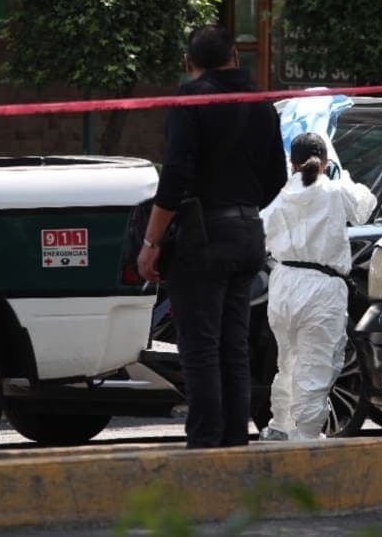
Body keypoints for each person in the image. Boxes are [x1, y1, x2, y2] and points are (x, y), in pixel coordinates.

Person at [136, 24, 287, 449]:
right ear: (235, 57)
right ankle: (233, 442)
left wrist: (150, 243)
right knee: (233, 346)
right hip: (248, 235)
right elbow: (277, 177)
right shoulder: (262, 105)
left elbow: (177, 176)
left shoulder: (191, 100)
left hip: (203, 239)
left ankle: (204, 443)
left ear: (190, 65)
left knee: (200, 347)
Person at [258, 133, 377, 441]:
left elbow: (263, 232)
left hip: (283, 285)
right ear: (325, 163)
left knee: (288, 363)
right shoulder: (336, 191)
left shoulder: (280, 195)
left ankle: (281, 427)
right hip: (321, 289)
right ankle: (306, 443)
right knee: (316, 368)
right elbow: (366, 206)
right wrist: (344, 176)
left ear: (291, 163)